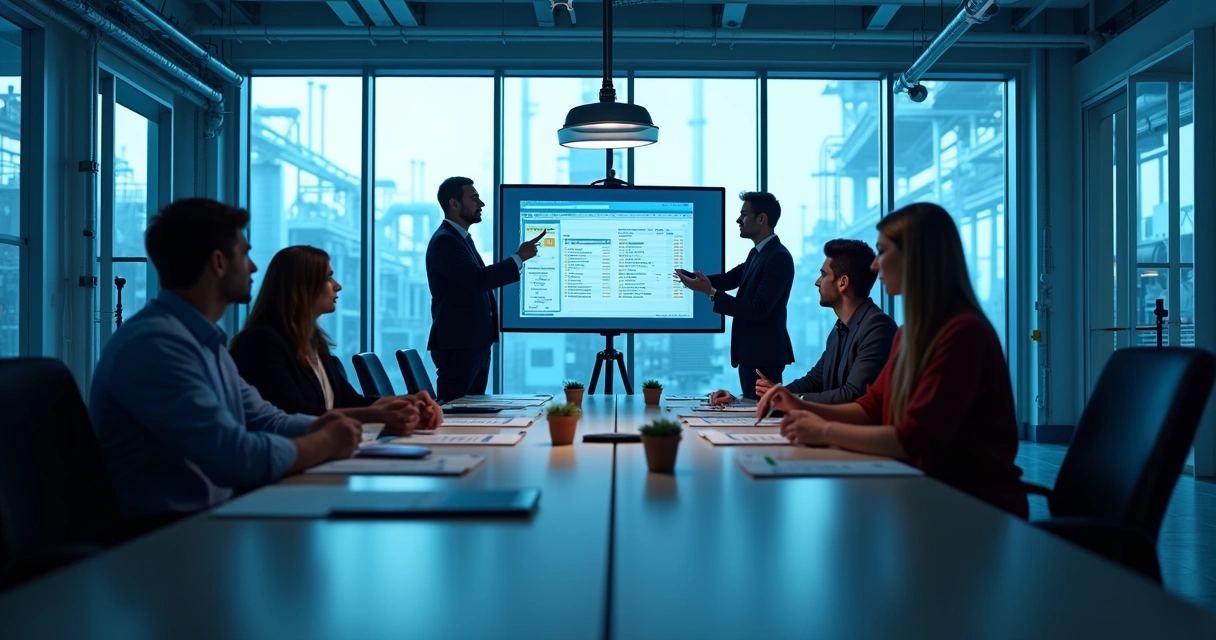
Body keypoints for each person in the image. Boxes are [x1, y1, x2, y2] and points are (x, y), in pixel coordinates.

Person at [90, 198, 363, 522]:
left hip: (213, 521)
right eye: (244, 254)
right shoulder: (155, 346)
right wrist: (325, 441)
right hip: (169, 535)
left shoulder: (203, 342)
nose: (254, 267)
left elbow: (266, 420)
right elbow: (236, 455)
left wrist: (323, 424)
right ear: (219, 263)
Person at [756, 203, 1028, 518]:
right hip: (925, 493)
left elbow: (914, 438)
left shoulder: (962, 333)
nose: (874, 266)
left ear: (915, 258)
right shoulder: (910, 334)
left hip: (971, 506)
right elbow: (871, 407)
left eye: (883, 251)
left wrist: (824, 430)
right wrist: (795, 403)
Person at [229, 245, 442, 433]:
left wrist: (406, 402)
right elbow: (298, 417)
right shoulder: (261, 344)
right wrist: (380, 416)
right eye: (328, 277)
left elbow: (349, 401)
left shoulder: (313, 343)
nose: (337, 285)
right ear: (302, 287)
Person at [710, 239, 895, 405]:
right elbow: (815, 380)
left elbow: (852, 395)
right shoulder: (841, 328)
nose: (817, 282)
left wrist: (786, 398)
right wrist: (760, 397)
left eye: (823, 275)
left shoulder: (877, 329)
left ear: (842, 283)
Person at [426, 176, 545, 402]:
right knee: (456, 413)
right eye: (474, 198)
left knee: (471, 411)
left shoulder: (460, 239)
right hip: (460, 346)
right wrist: (520, 257)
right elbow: (478, 279)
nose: (480, 204)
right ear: (454, 204)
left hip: (472, 344)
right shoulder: (446, 241)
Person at [677, 191, 794, 400]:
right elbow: (730, 278)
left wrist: (709, 292)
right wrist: (691, 277)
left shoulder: (778, 258)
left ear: (761, 219)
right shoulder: (758, 254)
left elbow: (758, 310)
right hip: (751, 356)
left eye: (744, 214)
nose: (738, 220)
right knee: (751, 409)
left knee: (765, 417)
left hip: (764, 358)